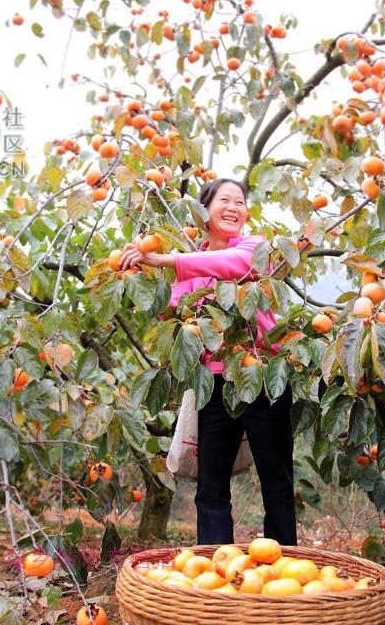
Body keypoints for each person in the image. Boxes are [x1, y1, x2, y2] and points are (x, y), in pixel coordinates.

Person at [118, 177, 297, 546]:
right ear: (204, 211)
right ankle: (217, 569)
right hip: (214, 383)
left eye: (240, 202)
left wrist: (167, 259)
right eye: (224, 201)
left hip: (263, 376)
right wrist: (141, 269)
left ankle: (287, 570)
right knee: (210, 484)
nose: (233, 208)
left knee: (277, 479)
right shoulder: (187, 262)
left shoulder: (254, 247)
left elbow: (233, 263)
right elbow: (172, 313)